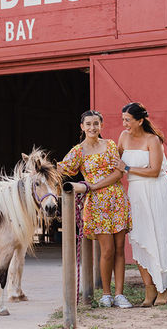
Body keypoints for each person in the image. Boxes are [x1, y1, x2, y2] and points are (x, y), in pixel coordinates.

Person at [116, 102, 167, 307]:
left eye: (128, 120)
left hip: (157, 191)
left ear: (140, 120)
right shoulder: (123, 137)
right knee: (140, 238)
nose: (124, 123)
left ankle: (163, 289)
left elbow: (155, 171)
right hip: (136, 192)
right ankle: (149, 288)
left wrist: (128, 167)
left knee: (159, 236)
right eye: (123, 119)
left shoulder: (153, 140)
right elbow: (115, 163)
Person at [57, 110, 133, 309]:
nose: (92, 127)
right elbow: (62, 168)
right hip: (97, 205)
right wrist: (38, 166)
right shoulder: (78, 151)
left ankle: (120, 294)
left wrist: (93, 185)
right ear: (82, 127)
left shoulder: (109, 145)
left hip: (116, 200)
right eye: (88, 124)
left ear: (101, 126)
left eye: (96, 124)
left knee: (119, 250)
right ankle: (106, 294)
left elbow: (118, 174)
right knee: (107, 250)